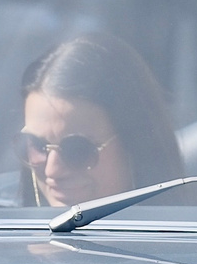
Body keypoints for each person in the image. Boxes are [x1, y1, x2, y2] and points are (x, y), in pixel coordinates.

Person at [18, 35, 183, 208]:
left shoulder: (196, 231)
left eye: (77, 148)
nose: (52, 171)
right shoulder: (0, 230)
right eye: (36, 145)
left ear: (136, 144)